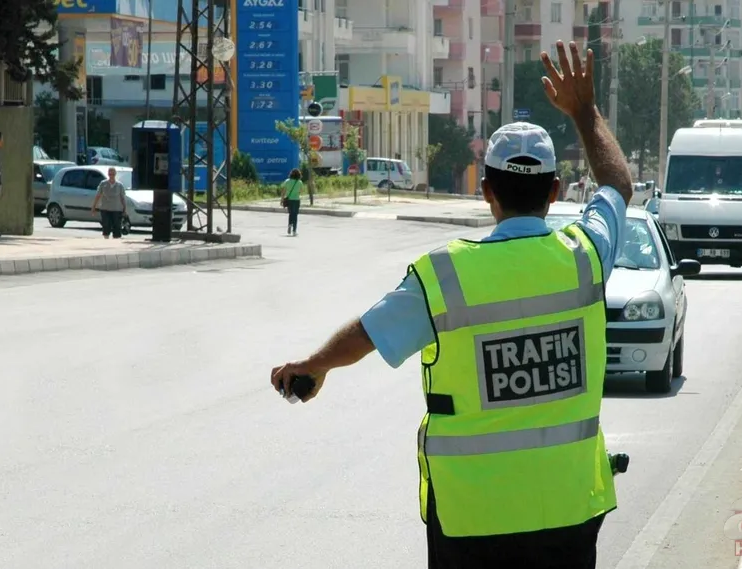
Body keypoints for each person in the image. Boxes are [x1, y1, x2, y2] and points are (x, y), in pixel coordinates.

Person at [271, 40, 634, 568]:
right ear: (556, 191)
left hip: (472, 518)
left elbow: (370, 332)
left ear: (486, 191)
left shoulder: (444, 277)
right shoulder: (587, 256)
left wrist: (314, 365)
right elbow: (618, 185)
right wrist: (585, 112)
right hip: (569, 510)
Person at [90, 167, 127, 239]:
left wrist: (124, 209)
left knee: (117, 226)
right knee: (106, 226)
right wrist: (93, 207)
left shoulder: (119, 185)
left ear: (115, 174)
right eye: (110, 174)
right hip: (105, 209)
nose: (111, 175)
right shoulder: (103, 183)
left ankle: (116, 241)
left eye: (113, 174)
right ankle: (106, 240)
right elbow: (98, 196)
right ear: (108, 174)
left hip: (116, 209)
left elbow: (122, 198)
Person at [281, 168, 303, 236]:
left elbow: (283, 192)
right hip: (296, 200)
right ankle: (294, 231)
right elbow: (300, 191)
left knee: (290, 214)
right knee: (295, 215)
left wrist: (282, 200)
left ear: (291, 174)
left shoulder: (287, 181)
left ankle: (290, 225)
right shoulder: (300, 182)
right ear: (299, 175)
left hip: (289, 200)